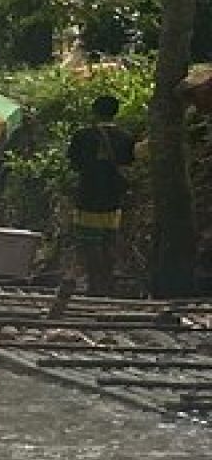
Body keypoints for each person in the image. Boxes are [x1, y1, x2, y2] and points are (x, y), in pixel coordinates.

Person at [53, 94, 137, 311]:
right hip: (112, 198)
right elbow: (128, 164)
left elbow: (74, 164)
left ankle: (89, 283)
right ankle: (105, 285)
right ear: (115, 112)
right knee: (108, 241)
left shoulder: (82, 136)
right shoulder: (125, 137)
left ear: (95, 111)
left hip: (87, 196)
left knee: (87, 243)